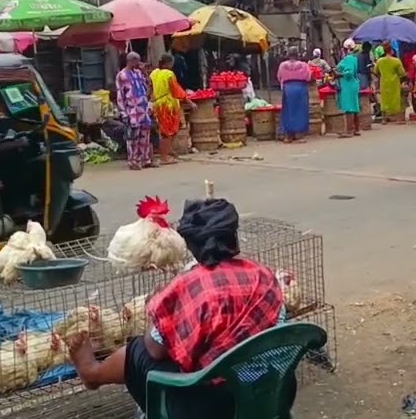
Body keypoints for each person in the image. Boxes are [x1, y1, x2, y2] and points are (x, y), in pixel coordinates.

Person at [68, 198, 288, 419]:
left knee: (139, 350)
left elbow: (155, 349)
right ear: (234, 237)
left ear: (191, 245)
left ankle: (92, 372)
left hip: (212, 407)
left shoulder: (193, 286)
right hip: (268, 393)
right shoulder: (264, 276)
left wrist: (162, 318)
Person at [115, 52, 155, 170]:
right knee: (133, 137)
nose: (139, 64)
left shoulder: (138, 73)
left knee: (145, 136)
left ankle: (144, 159)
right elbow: (120, 96)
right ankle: (132, 161)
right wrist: (123, 113)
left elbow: (147, 87)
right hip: (132, 111)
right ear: (131, 61)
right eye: (137, 62)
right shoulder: (121, 75)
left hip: (143, 110)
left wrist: (144, 72)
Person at [151, 53, 191, 165]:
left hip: (159, 103)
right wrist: (190, 102)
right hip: (168, 105)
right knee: (167, 132)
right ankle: (164, 156)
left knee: (173, 128)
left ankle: (169, 151)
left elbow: (150, 87)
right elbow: (176, 90)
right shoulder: (169, 74)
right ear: (170, 63)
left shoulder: (154, 73)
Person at [277, 47, 312, 143]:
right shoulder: (304, 65)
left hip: (288, 88)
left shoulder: (283, 65)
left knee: (288, 110)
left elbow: (279, 77)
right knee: (301, 110)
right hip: (300, 88)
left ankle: (288, 135)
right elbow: (308, 77)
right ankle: (299, 134)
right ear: (298, 55)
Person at [334, 41, 363, 137]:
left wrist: (338, 74)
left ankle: (349, 130)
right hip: (353, 84)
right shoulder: (354, 58)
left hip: (348, 84)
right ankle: (356, 129)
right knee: (354, 107)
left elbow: (349, 73)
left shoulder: (348, 59)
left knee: (349, 108)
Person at [374, 44, 407, 122]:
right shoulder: (396, 61)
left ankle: (384, 119)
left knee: (384, 100)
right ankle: (398, 118)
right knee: (395, 99)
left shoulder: (379, 61)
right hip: (394, 83)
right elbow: (402, 73)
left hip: (384, 83)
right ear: (391, 51)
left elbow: (376, 71)